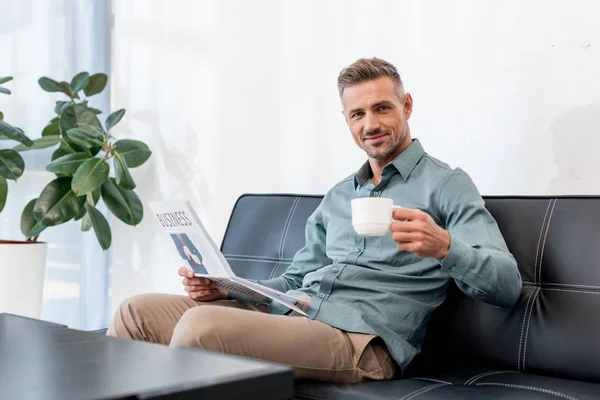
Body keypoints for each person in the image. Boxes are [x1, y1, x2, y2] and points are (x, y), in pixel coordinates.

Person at [107, 57, 522, 384]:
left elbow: (507, 285)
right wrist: (226, 287)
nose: (371, 124)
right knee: (135, 311)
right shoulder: (340, 195)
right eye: (357, 114)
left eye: (381, 108)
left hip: (363, 341)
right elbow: (293, 282)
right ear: (346, 121)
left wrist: (445, 246)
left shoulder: (446, 185)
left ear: (407, 105)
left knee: (201, 327)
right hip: (297, 315)